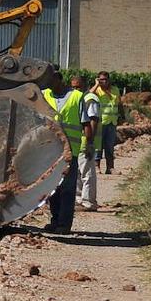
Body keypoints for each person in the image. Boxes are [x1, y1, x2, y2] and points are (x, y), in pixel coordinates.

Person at [42, 73, 95, 234]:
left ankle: (64, 224)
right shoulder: (44, 95)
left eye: (51, 81)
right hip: (50, 150)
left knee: (67, 188)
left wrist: (89, 144)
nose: (49, 85)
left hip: (70, 150)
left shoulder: (76, 96)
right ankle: (55, 220)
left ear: (59, 80)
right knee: (53, 188)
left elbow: (86, 123)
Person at [73, 75, 100, 211]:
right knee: (77, 172)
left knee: (87, 173)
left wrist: (90, 142)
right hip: (77, 142)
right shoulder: (78, 98)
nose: (75, 89)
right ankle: (79, 200)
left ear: (85, 86)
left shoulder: (90, 99)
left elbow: (93, 121)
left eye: (78, 87)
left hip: (85, 141)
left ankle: (89, 202)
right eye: (73, 87)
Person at [95, 71, 120, 174]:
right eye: (101, 79)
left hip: (112, 122)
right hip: (101, 122)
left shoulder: (115, 90)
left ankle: (110, 167)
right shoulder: (96, 90)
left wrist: (121, 116)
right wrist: (96, 85)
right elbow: (88, 95)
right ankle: (97, 166)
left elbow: (119, 103)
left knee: (110, 146)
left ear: (109, 80)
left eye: (105, 79)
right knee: (98, 146)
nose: (104, 81)